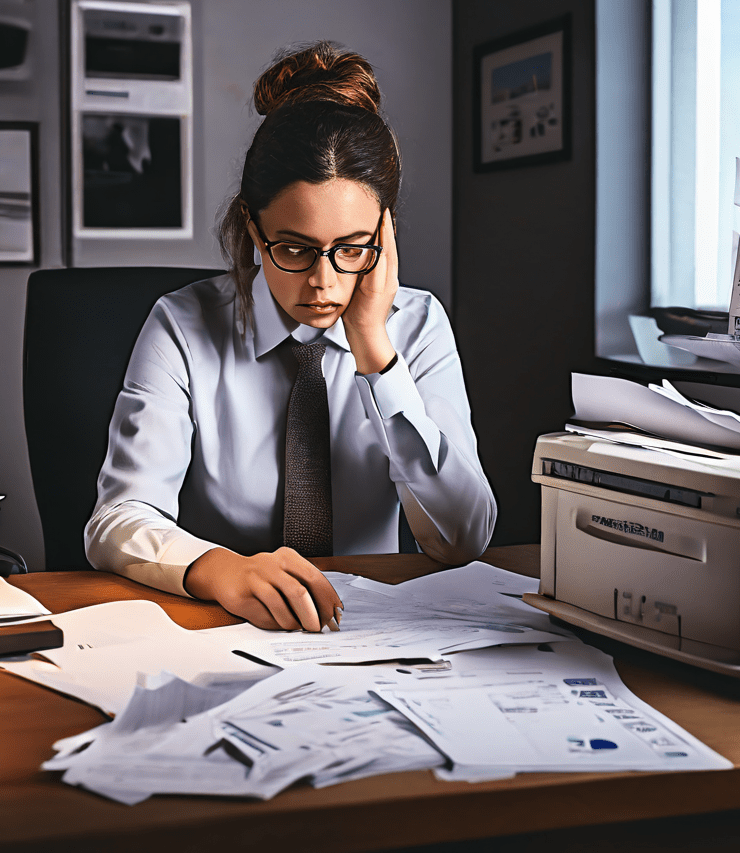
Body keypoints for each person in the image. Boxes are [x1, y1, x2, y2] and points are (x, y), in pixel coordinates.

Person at [85, 42, 496, 632]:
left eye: (352, 248)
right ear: (254, 230)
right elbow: (117, 519)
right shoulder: (181, 325)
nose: (324, 282)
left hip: (369, 633)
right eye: (295, 249)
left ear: (385, 236)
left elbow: (462, 539)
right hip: (224, 624)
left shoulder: (418, 324)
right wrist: (219, 569)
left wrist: (374, 349)